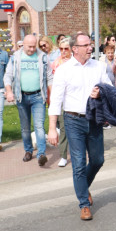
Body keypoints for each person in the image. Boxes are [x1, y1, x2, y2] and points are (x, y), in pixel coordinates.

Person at [47, 32, 113, 221]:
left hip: (93, 119)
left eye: (90, 45)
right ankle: (84, 203)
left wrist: (101, 92)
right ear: (75, 49)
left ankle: (83, 186)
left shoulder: (98, 67)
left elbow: (110, 88)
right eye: (86, 45)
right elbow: (56, 100)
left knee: (98, 159)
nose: (90, 48)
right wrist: (52, 128)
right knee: (77, 164)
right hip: (72, 120)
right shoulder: (64, 70)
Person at [5, 35, 51, 167]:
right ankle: (28, 151)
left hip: (38, 96)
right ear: (22, 45)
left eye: (33, 46)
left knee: (39, 126)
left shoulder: (42, 57)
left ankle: (41, 154)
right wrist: (9, 91)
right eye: (29, 46)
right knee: (25, 128)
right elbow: (8, 76)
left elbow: (49, 76)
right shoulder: (15, 57)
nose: (32, 49)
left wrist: (51, 96)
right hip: (22, 96)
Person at [47, 37, 72, 168]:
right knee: (63, 128)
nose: (63, 51)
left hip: (74, 99)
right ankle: (63, 155)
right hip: (62, 100)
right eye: (61, 49)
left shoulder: (75, 62)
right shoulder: (56, 63)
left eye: (66, 49)